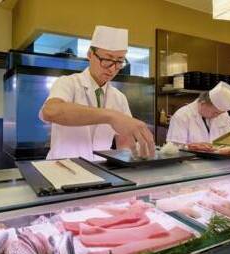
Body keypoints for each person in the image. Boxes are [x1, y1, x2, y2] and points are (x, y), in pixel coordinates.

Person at [39, 25, 155, 160]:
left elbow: (123, 142)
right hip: (64, 169)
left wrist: (135, 157)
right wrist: (111, 116)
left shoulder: (119, 98)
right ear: (90, 54)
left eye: (119, 62)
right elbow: (51, 111)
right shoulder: (68, 83)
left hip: (102, 171)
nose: (112, 69)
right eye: (107, 59)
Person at [166, 81, 230, 146]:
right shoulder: (182, 115)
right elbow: (174, 147)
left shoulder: (223, 114)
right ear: (203, 103)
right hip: (191, 161)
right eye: (215, 113)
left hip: (220, 161)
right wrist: (194, 147)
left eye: (220, 113)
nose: (217, 116)